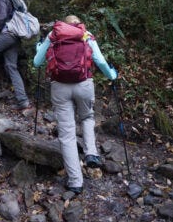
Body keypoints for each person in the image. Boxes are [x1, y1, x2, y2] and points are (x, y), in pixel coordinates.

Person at [32, 16, 118, 194]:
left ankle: (75, 182)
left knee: (67, 135)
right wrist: (112, 75)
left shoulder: (52, 36)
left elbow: (37, 62)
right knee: (87, 117)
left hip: (60, 87)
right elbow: (100, 61)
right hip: (84, 84)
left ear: (63, 24)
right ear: (78, 25)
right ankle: (91, 153)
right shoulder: (86, 35)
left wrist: (39, 48)